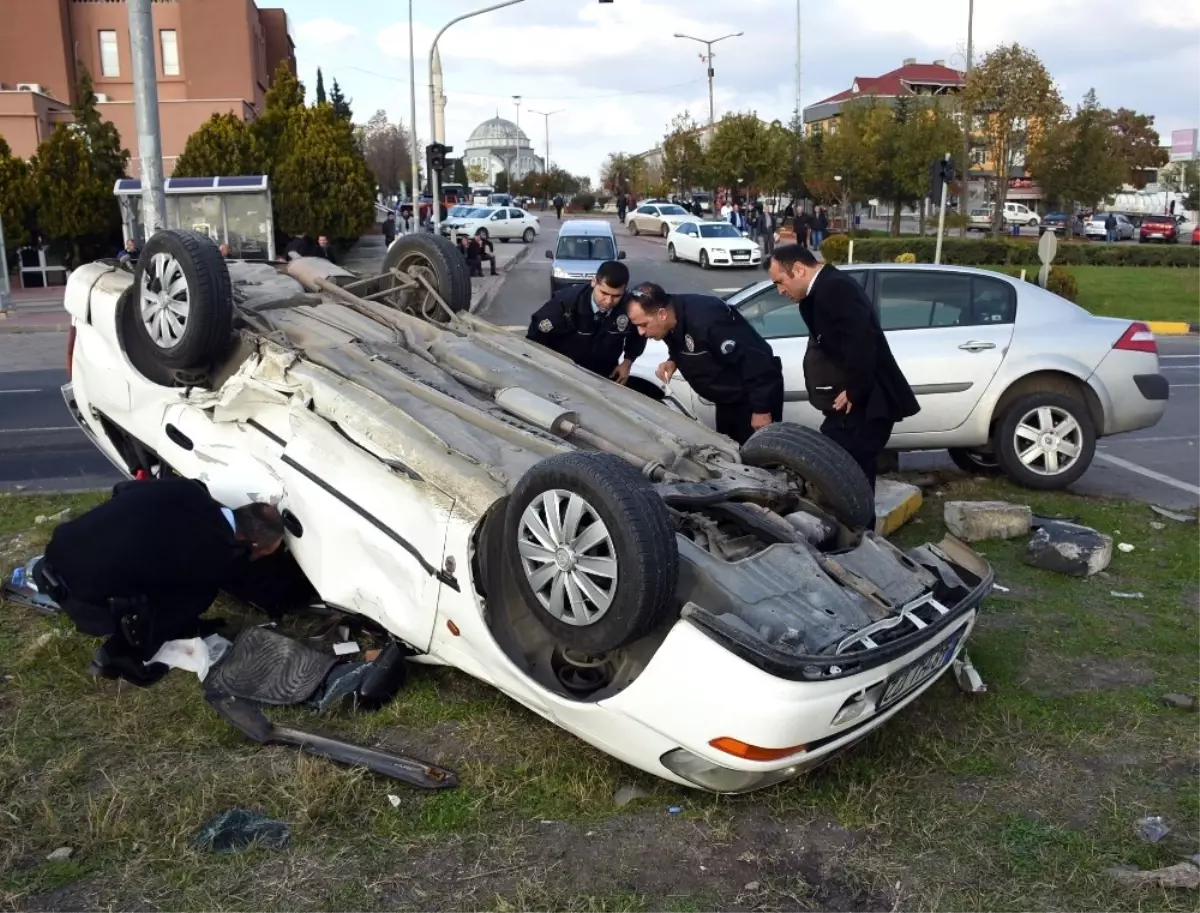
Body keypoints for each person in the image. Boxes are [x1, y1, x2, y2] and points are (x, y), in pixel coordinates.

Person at [33, 478, 285, 687]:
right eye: (263, 552)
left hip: (57, 552)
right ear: (252, 544)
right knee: (198, 594)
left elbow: (122, 489)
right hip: (82, 596)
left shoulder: (188, 489)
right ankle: (121, 655)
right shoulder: (212, 551)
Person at [766, 244, 918, 490]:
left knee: (847, 475)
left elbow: (862, 340)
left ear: (799, 269)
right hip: (851, 404)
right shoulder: (819, 292)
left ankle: (858, 526)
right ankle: (856, 524)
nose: (780, 290)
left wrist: (854, 390)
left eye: (781, 282)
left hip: (865, 404)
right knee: (845, 472)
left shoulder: (835, 288)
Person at [626, 282, 783, 445]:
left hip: (751, 398)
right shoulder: (670, 316)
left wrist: (762, 410)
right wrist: (673, 360)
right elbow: (680, 341)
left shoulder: (708, 320)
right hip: (727, 400)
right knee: (731, 452)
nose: (641, 332)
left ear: (662, 314)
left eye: (644, 325)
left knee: (759, 458)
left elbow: (756, 361)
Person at [527, 260, 645, 384]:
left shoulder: (629, 307)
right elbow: (536, 336)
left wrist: (627, 362)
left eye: (616, 296)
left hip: (604, 376)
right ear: (594, 282)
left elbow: (639, 334)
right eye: (604, 293)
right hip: (564, 374)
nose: (609, 301)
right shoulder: (566, 303)